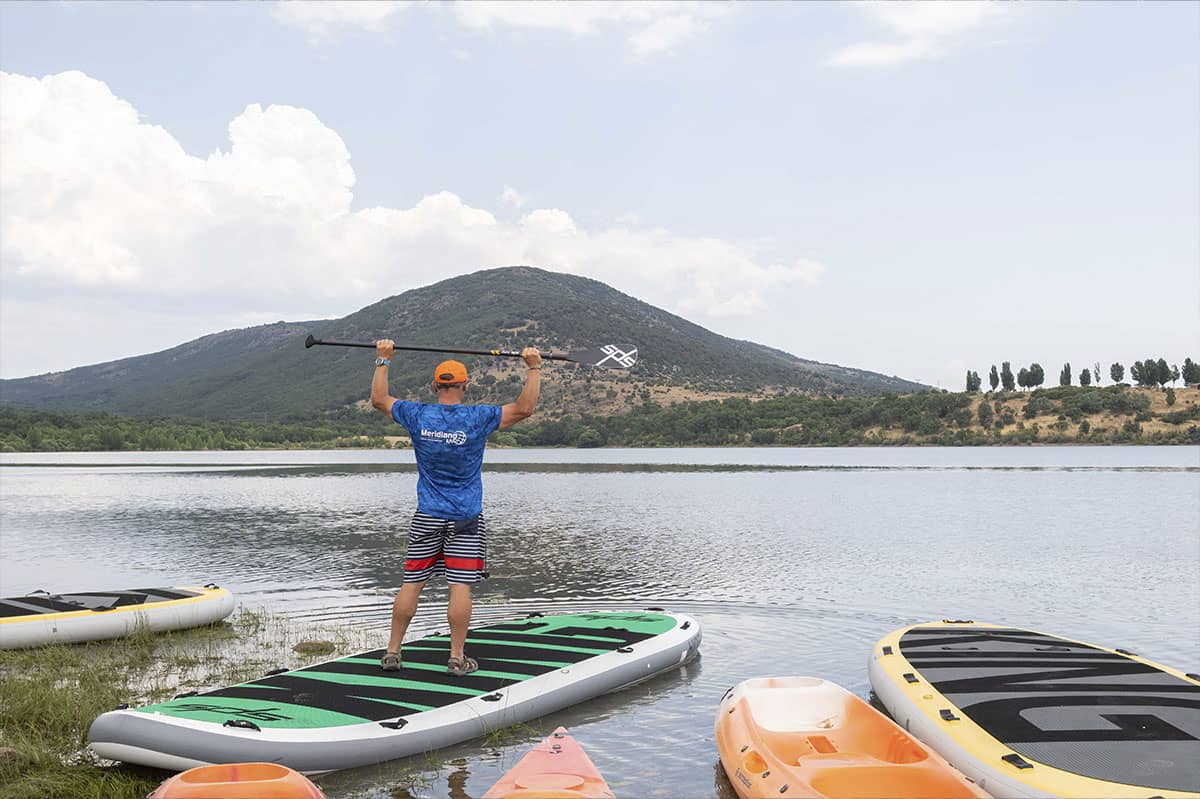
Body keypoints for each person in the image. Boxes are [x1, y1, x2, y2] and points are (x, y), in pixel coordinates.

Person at [370, 339, 543, 676]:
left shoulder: (418, 414)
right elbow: (524, 409)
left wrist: (383, 359)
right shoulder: (478, 417)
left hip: (427, 516)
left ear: (435, 385)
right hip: (465, 518)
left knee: (412, 583)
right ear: (465, 386)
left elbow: (378, 399)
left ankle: (393, 652)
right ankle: (456, 658)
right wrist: (534, 368)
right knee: (459, 587)